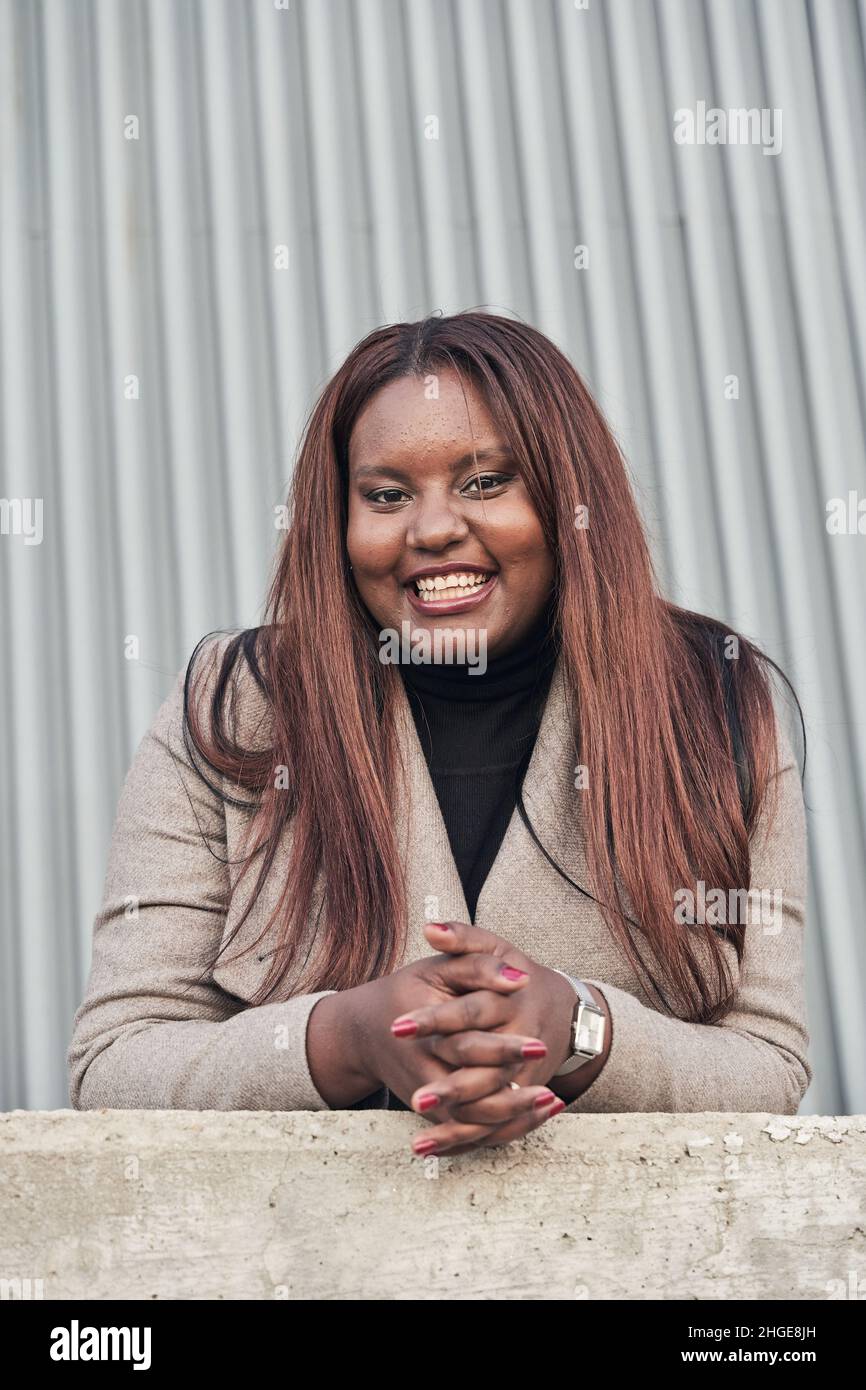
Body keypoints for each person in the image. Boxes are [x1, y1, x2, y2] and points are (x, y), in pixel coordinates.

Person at [67, 311, 811, 1157]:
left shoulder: (710, 700)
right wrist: (344, 1038)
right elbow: (115, 1062)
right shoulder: (237, 707)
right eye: (385, 495)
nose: (430, 529)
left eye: (486, 482)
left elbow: (767, 1062)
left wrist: (578, 1028)